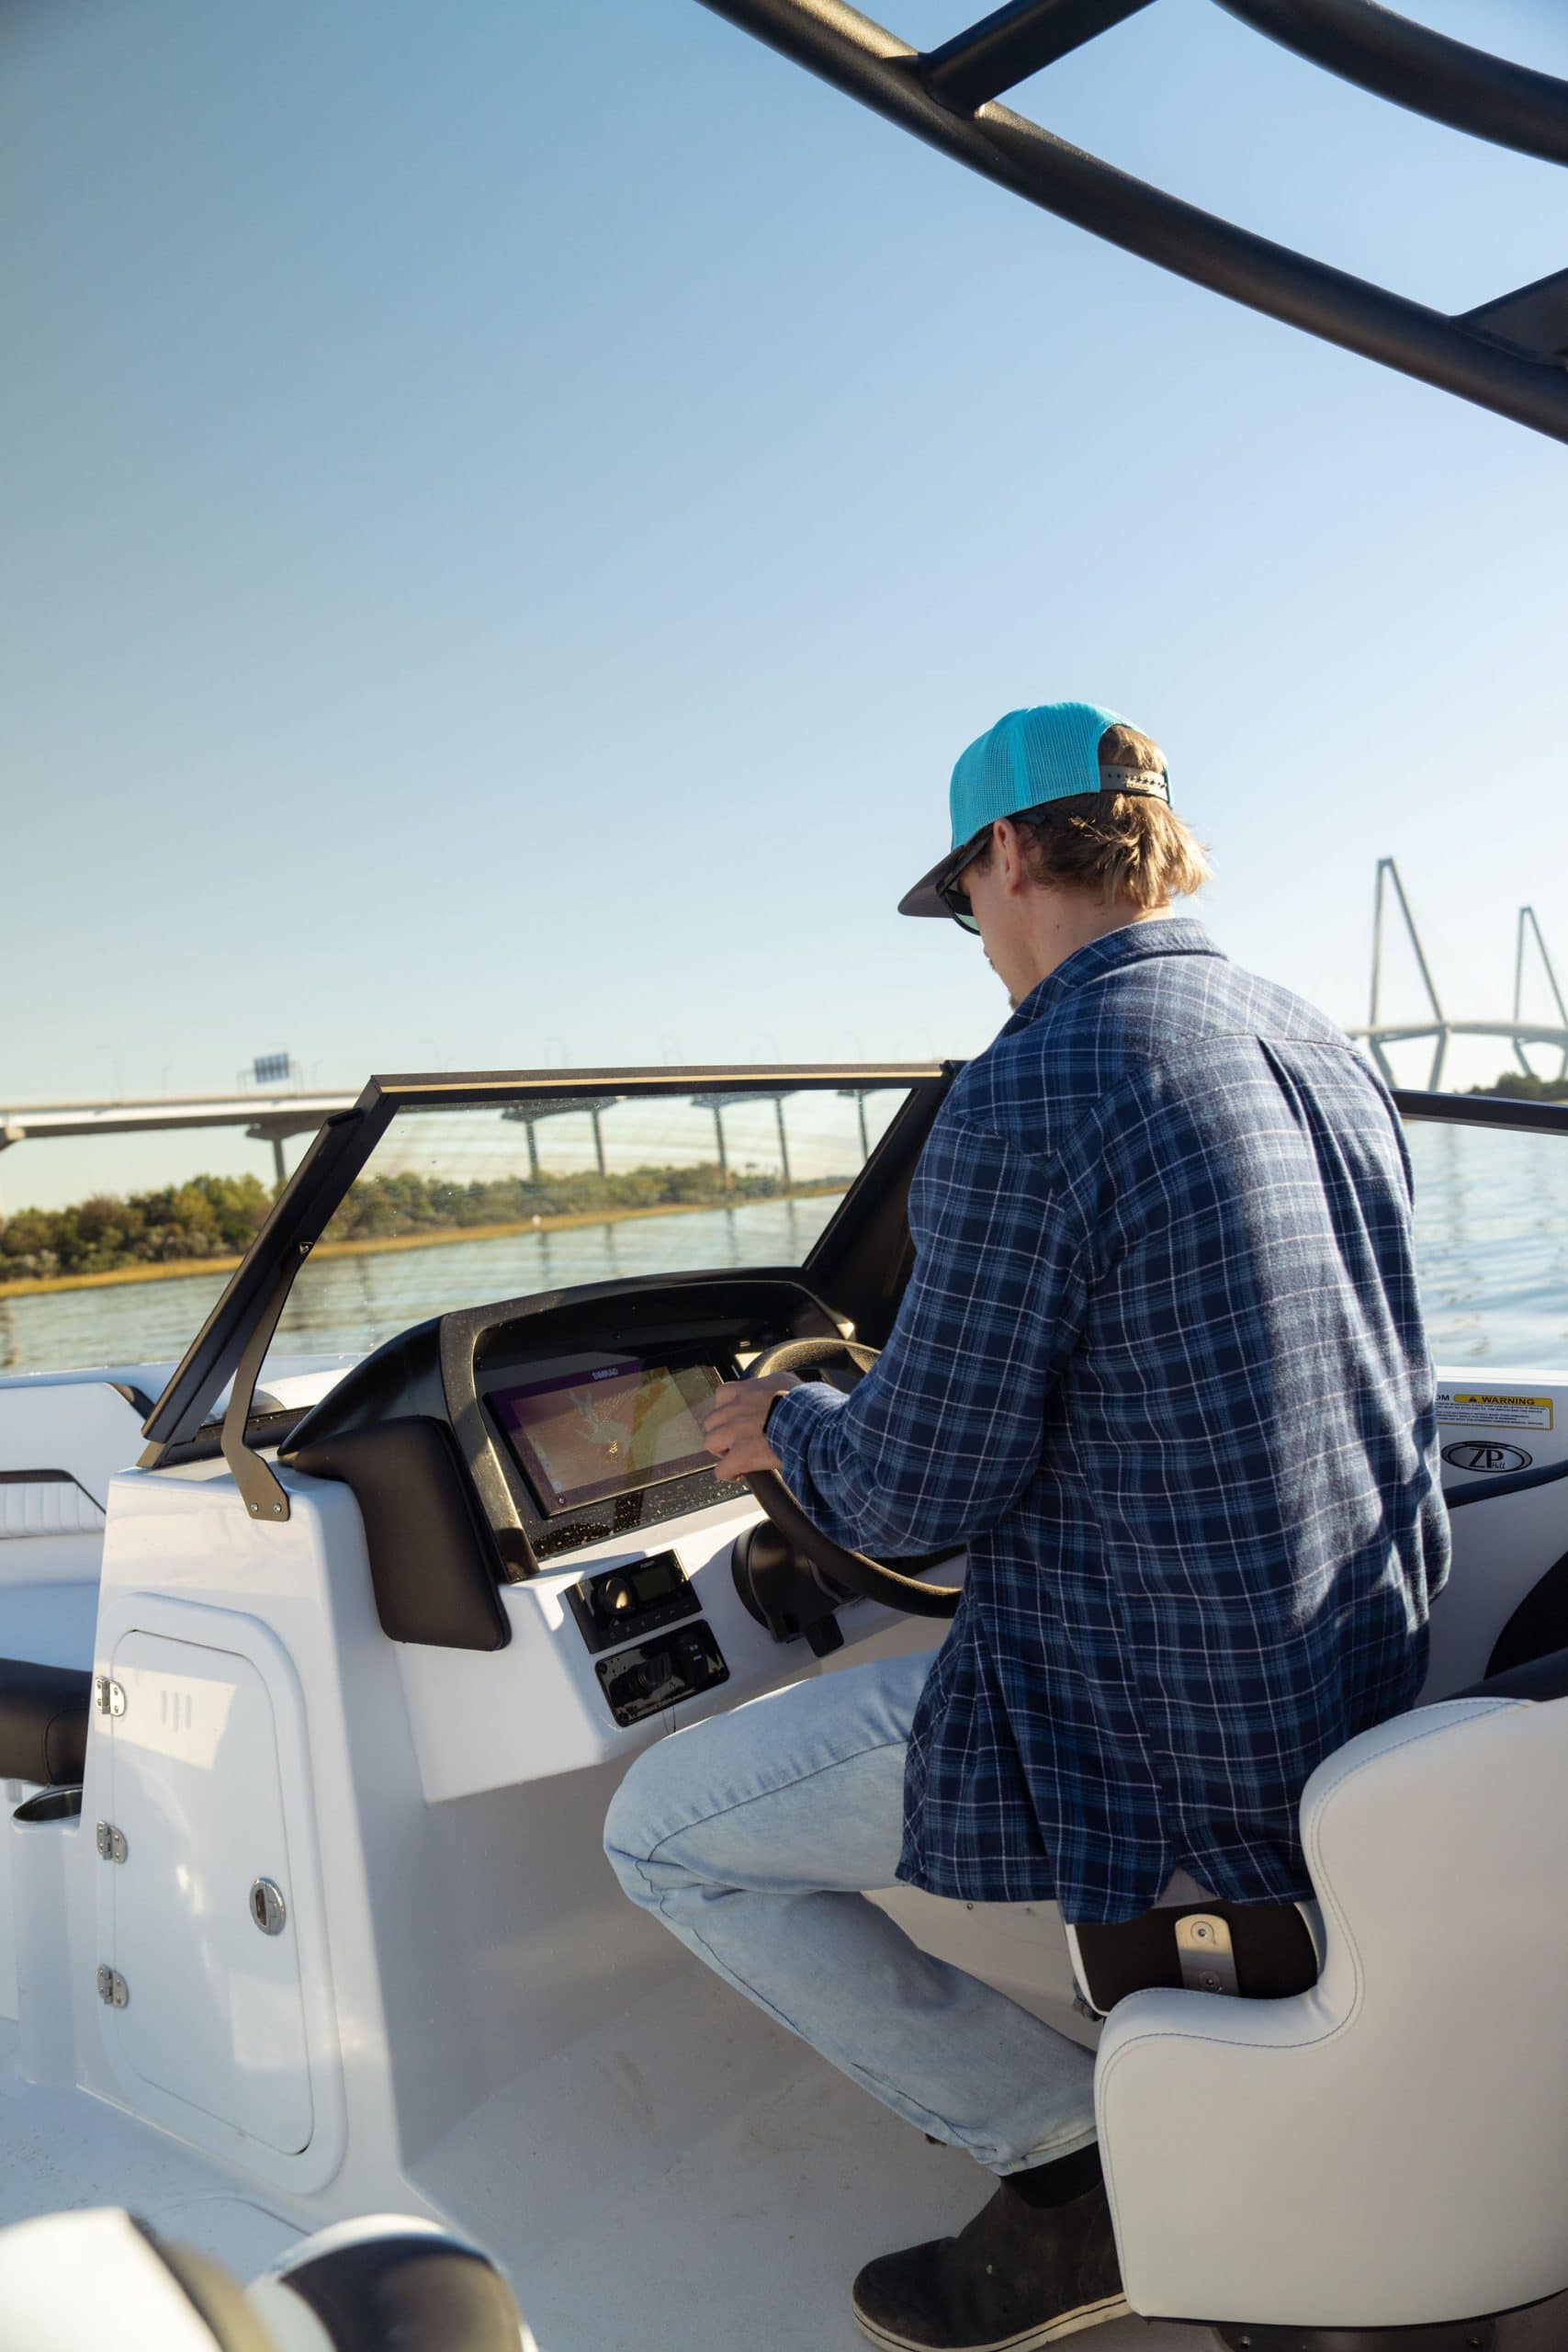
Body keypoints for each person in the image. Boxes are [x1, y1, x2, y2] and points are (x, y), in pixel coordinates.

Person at [603, 700, 1450, 2352]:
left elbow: (913, 1494)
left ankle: (1076, 2177)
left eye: (963, 904)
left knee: (663, 1839)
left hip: (1159, 1736)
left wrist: (786, 1427)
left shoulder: (1033, 1084)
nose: (979, 942)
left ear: (1005, 854)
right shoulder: (1317, 1041)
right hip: (1356, 1690)